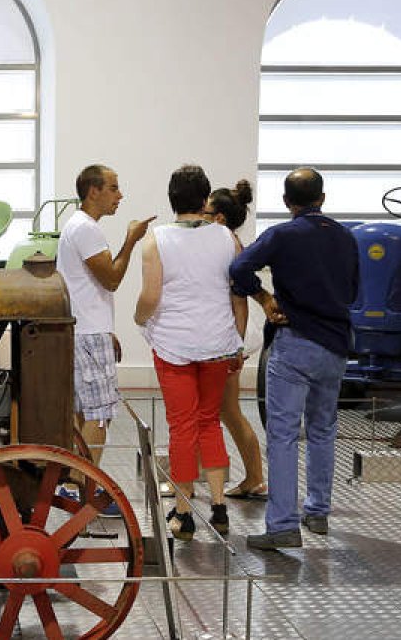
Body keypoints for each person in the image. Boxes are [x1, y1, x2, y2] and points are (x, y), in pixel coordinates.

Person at [229, 167, 358, 550]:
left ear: (287, 202)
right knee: (323, 428)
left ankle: (283, 526)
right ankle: (317, 511)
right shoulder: (346, 238)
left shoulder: (282, 235)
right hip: (335, 346)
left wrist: (265, 298)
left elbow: (238, 267)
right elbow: (352, 292)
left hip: (295, 342)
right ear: (323, 198)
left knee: (283, 434)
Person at [135, 164, 245, 540]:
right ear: (204, 198)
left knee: (182, 426)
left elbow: (151, 297)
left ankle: (182, 513)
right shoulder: (227, 237)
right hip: (218, 343)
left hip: (174, 345)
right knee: (209, 422)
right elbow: (236, 292)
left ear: (171, 199)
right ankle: (219, 507)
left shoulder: (156, 240)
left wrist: (138, 319)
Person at [57, 164, 154, 475]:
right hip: (87, 333)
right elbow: (111, 279)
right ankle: (82, 485)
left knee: (84, 412)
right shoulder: (85, 228)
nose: (120, 195)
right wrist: (131, 240)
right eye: (113, 188)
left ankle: (74, 482)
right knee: (99, 414)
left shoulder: (79, 225)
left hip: (85, 330)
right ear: (93, 191)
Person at [204, 181, 267, 500]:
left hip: (228, 341)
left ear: (219, 218)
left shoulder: (230, 246)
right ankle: (253, 477)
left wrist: (236, 345)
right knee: (226, 412)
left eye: (206, 210)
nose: (200, 215)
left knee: (229, 411)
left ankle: (255, 477)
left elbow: (237, 299)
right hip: (228, 339)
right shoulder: (228, 244)